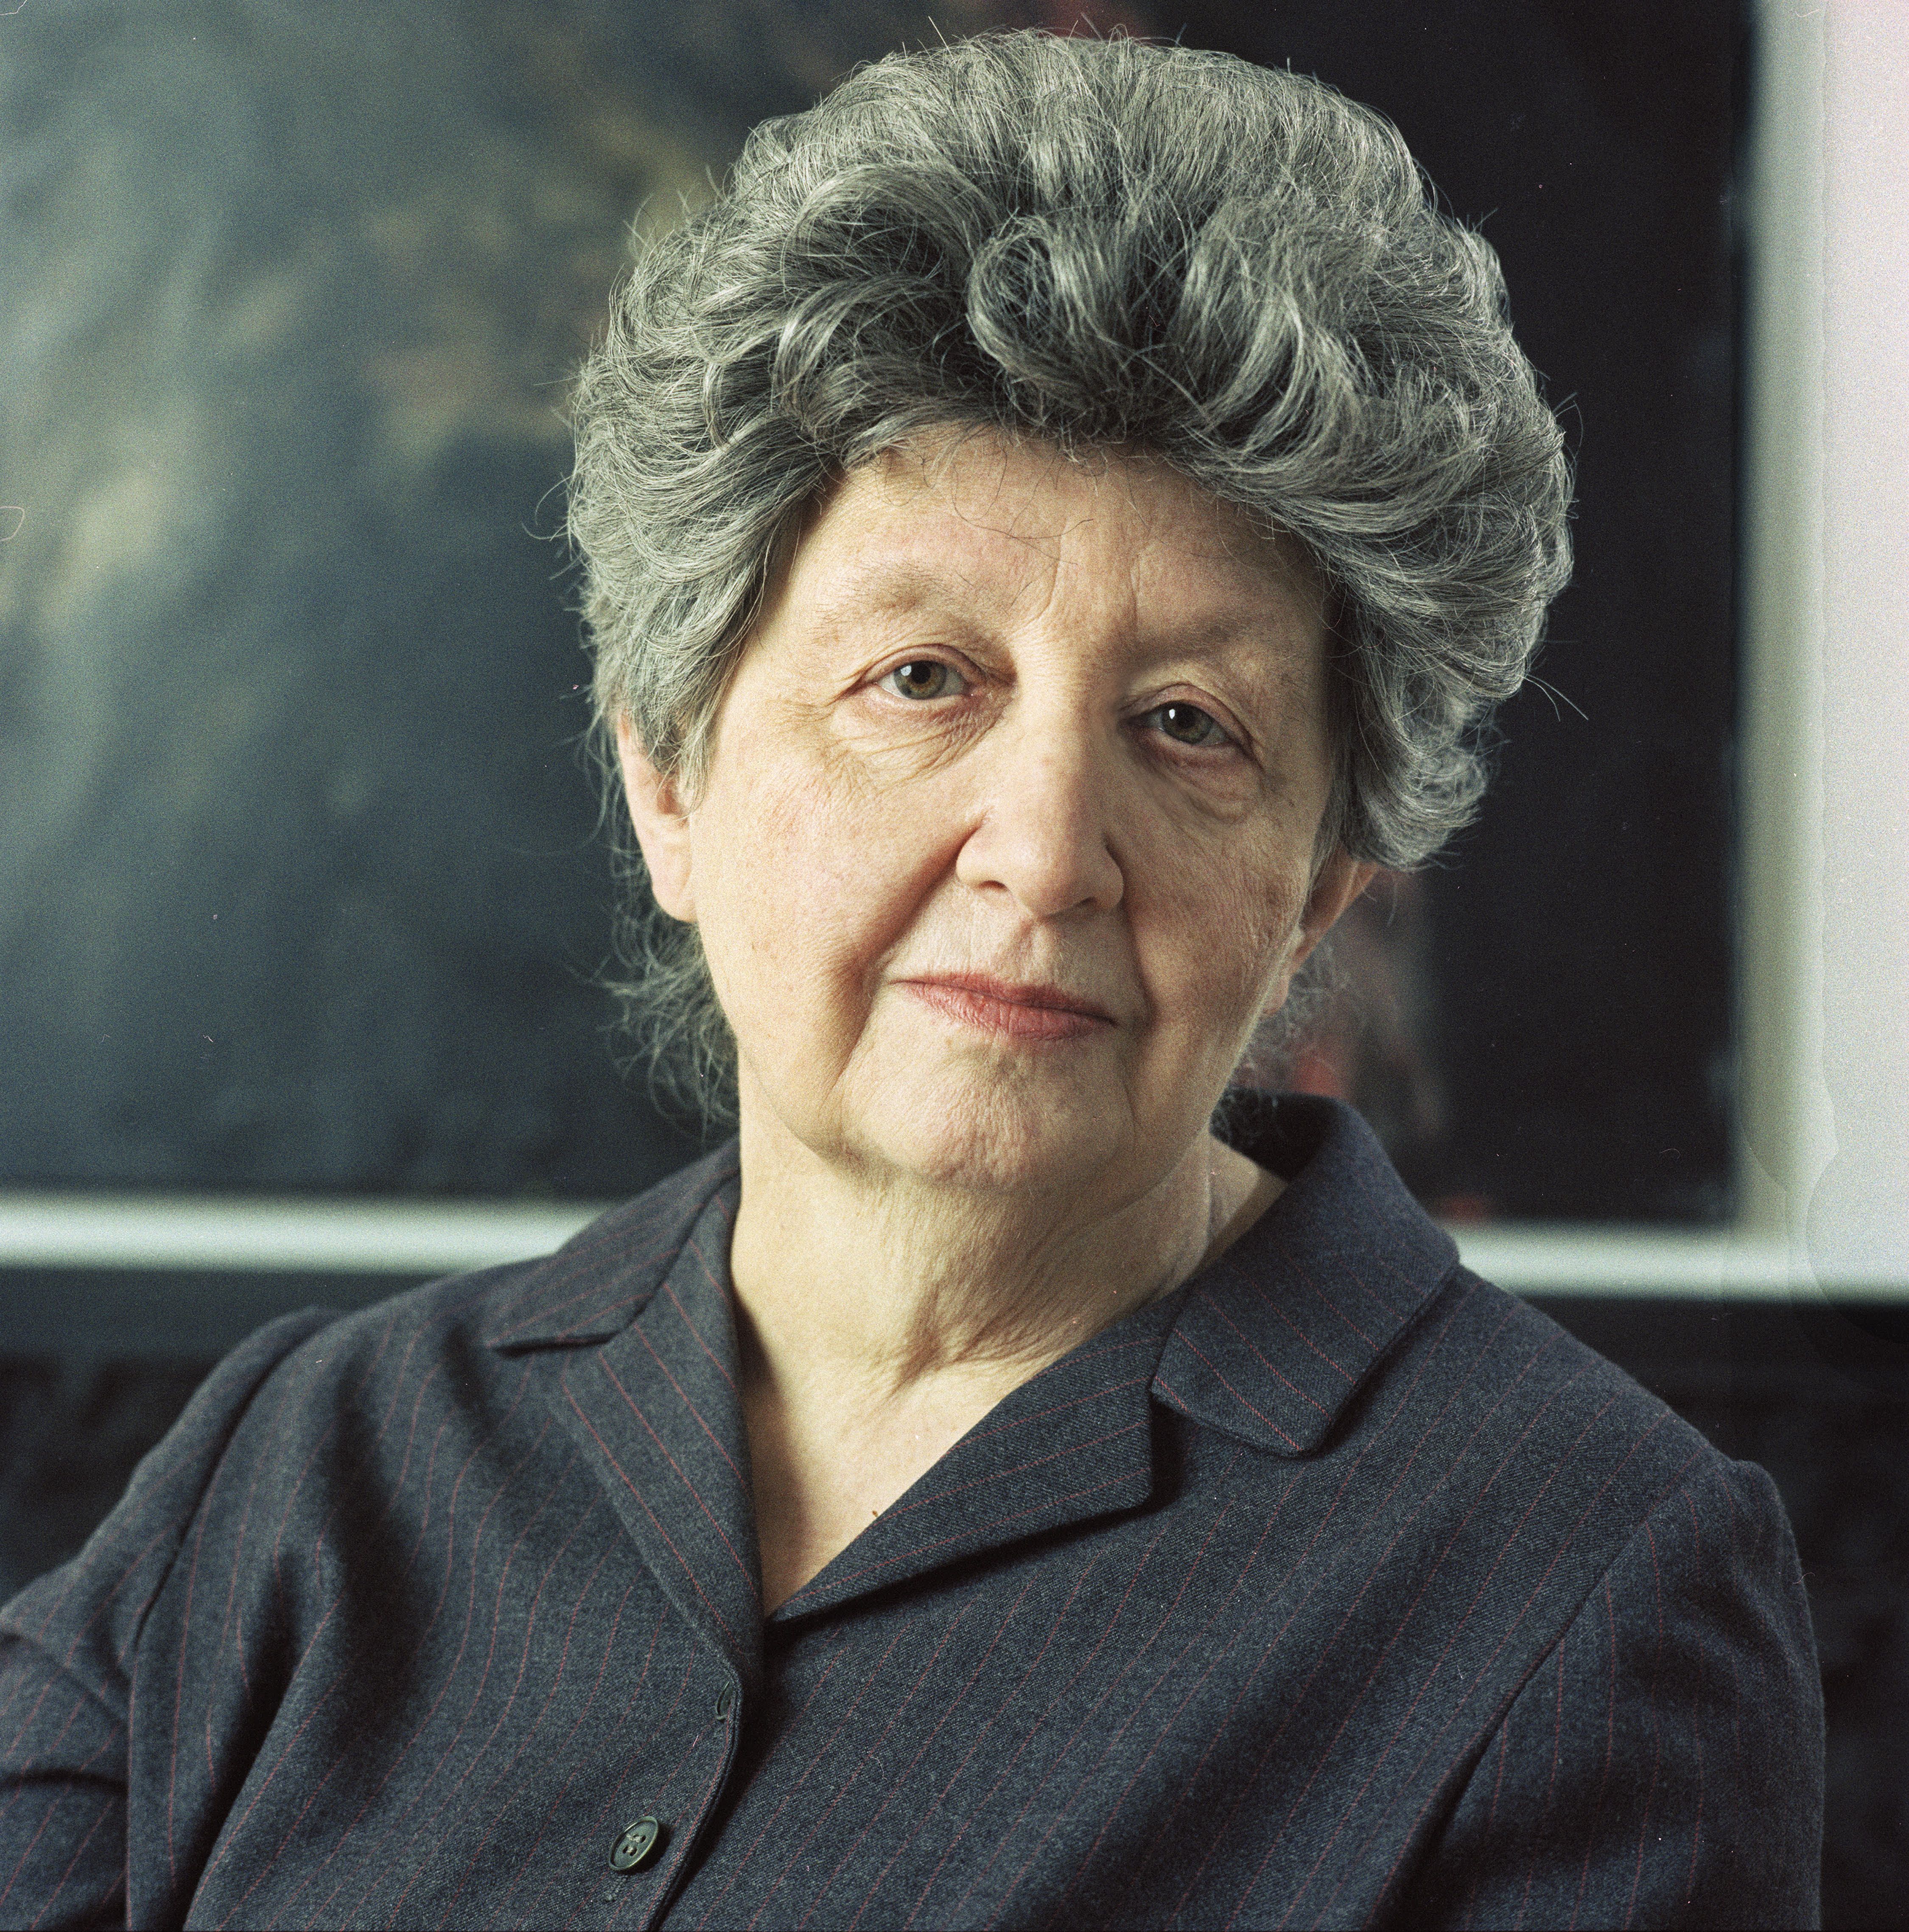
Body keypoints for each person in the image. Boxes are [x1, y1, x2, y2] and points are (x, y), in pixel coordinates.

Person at [0, 31, 1821, 1929]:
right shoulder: (299, 1465)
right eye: (924, 679)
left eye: (1188, 723)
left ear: (1316, 897)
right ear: (670, 782)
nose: (1046, 849)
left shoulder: (1582, 1584)